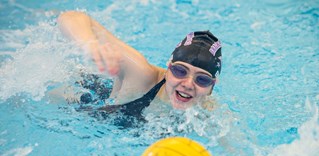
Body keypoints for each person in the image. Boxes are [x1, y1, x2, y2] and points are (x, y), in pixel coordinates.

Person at [56, 11, 222, 118]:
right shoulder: (141, 75)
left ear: (212, 86)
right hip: (82, 100)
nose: (187, 84)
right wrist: (90, 45)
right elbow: (71, 17)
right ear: (168, 68)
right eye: (180, 71)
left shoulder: (208, 111)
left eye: (202, 80)